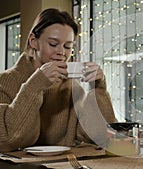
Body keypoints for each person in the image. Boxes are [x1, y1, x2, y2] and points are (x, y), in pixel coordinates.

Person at [0, 8, 117, 152]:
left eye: (68, 46)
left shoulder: (72, 88)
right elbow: (9, 139)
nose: (62, 52)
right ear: (33, 42)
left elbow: (100, 138)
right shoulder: (4, 83)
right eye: (53, 44)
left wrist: (99, 89)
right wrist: (36, 84)